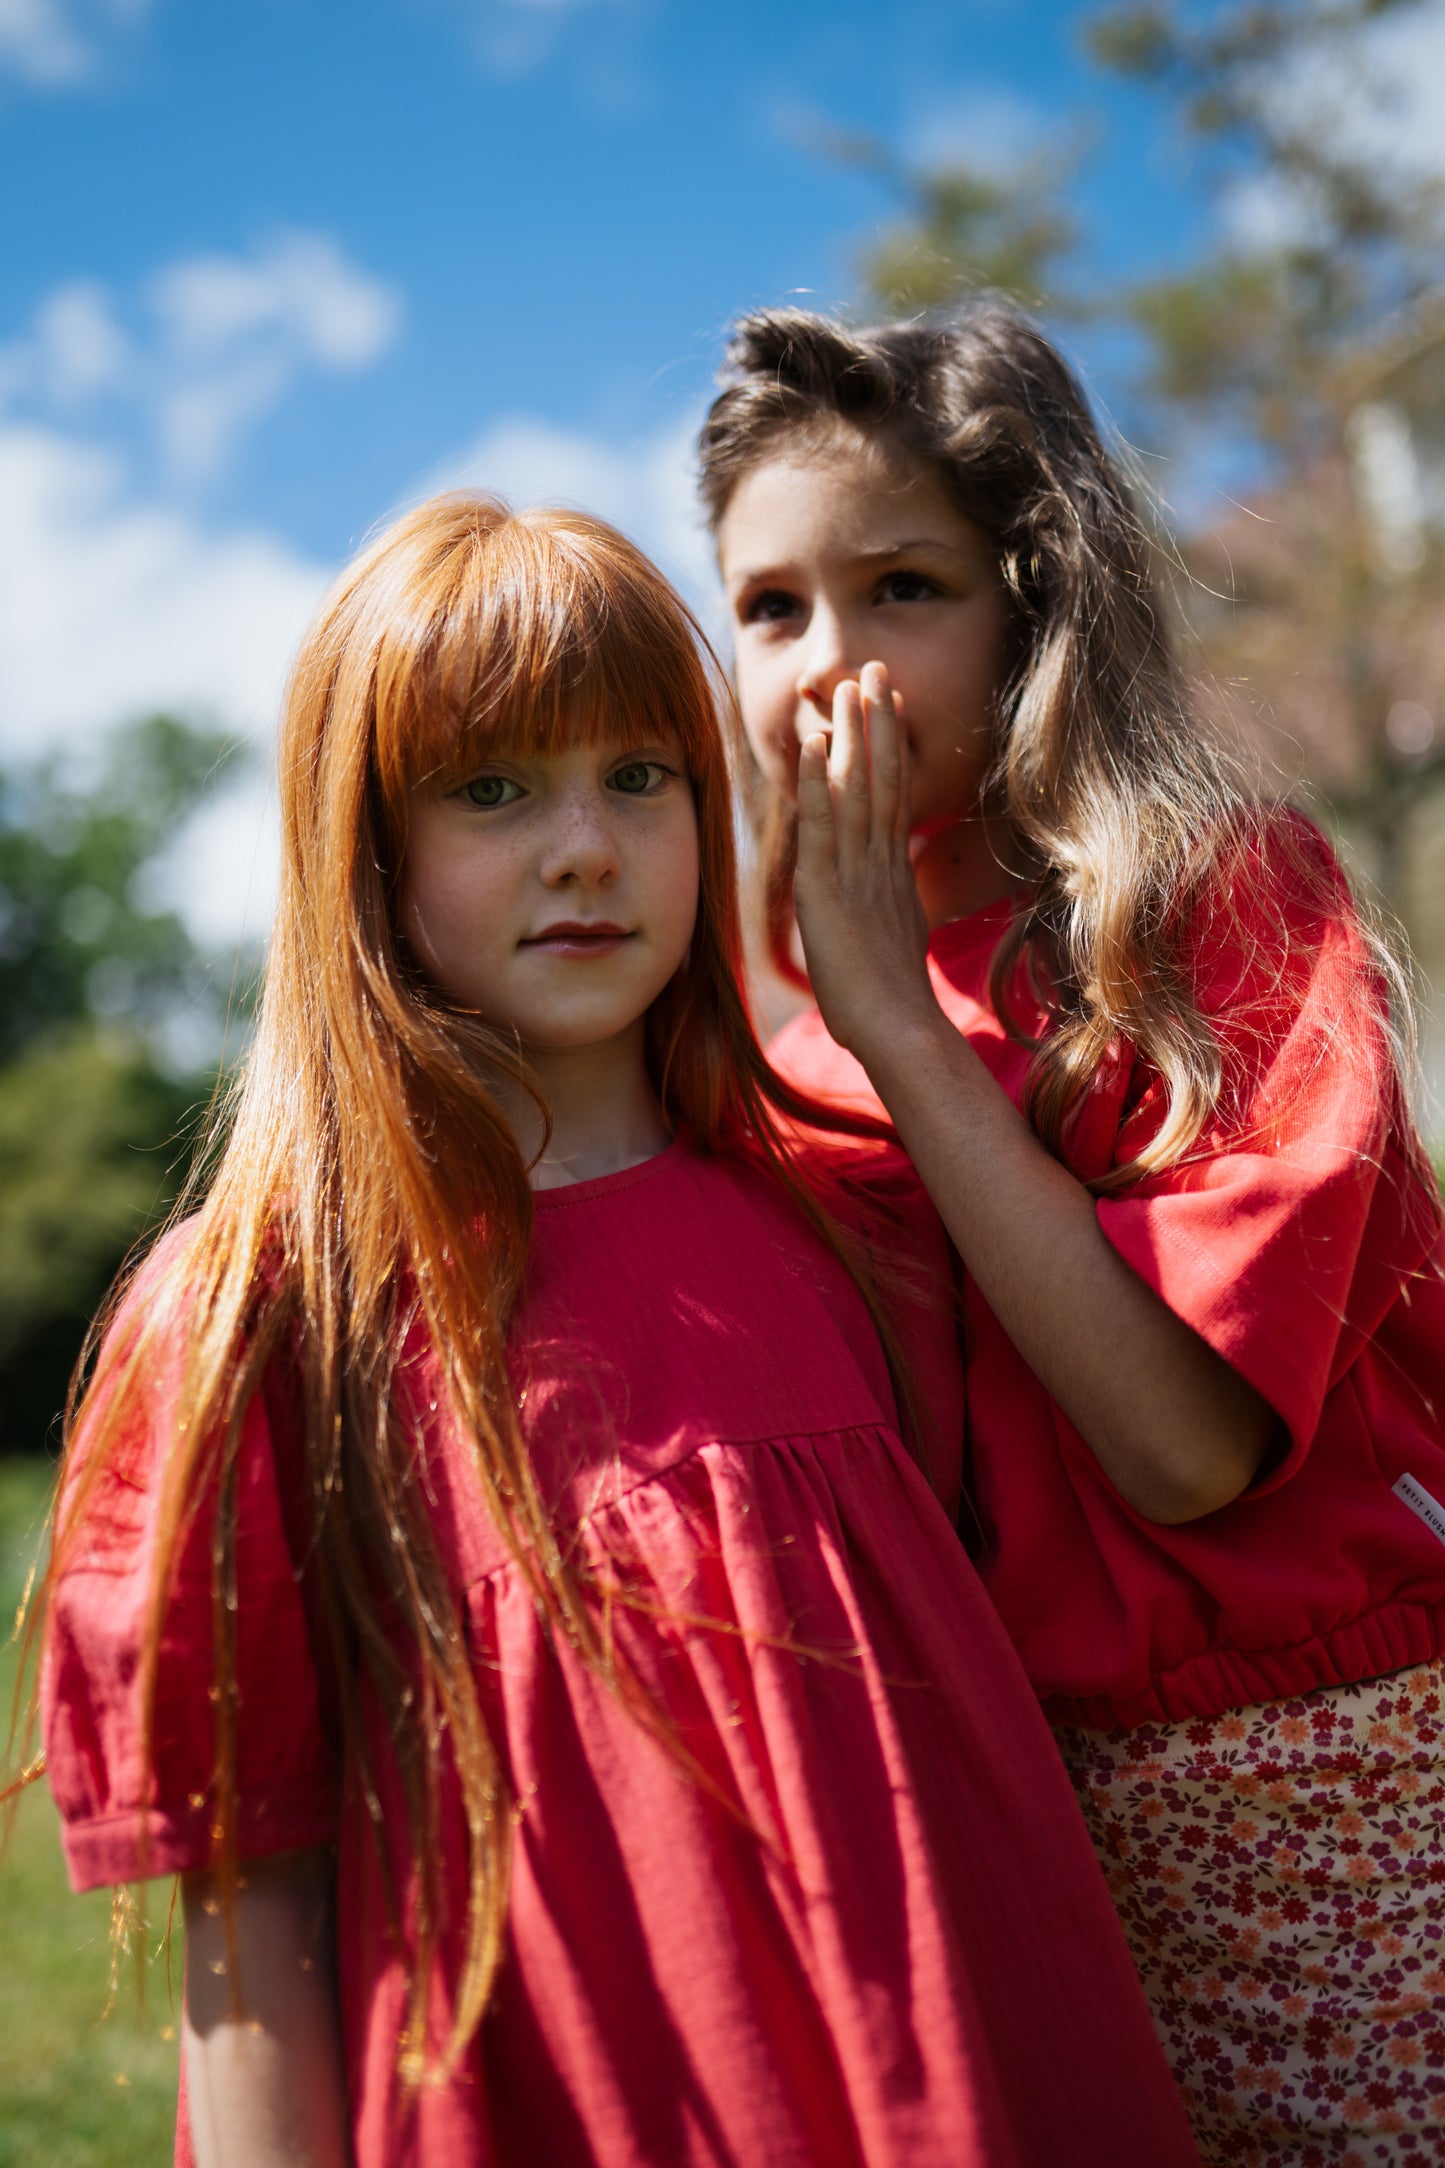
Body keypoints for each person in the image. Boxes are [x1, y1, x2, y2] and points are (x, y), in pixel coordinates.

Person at [33, 495, 1200, 2168]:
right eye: (493, 788)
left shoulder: (852, 1211)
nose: (581, 847)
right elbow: (246, 1929)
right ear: (363, 842)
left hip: (981, 2067)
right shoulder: (256, 1316)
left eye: (638, 777)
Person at [701, 304, 1445, 2165]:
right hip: (1032, 1825)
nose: (831, 669)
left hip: (1354, 1769)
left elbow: (1183, 1451)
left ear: (1036, 607)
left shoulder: (1219, 910)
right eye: (772, 609)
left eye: (903, 590)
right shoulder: (784, 1062)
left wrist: (894, 1020)